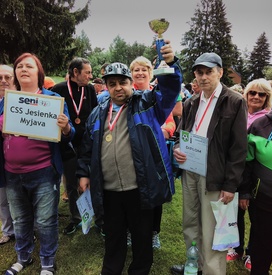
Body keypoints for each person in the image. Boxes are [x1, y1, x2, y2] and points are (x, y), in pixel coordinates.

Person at [76, 40, 182, 274]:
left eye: (122, 82)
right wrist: (83, 173)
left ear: (130, 82)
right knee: (114, 239)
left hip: (139, 189)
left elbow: (171, 91)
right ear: (107, 86)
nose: (118, 88)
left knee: (142, 239)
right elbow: (87, 146)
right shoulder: (97, 113)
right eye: (112, 84)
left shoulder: (147, 104)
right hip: (110, 190)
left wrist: (171, 65)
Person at [171, 52, 248, 275]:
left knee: (213, 229)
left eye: (209, 72)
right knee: (191, 223)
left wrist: (230, 184)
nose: (203, 77)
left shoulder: (233, 102)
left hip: (215, 176)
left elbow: (238, 148)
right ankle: (194, 265)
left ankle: (212, 271)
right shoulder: (191, 101)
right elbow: (179, 135)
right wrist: (177, 148)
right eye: (199, 72)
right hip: (190, 171)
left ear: (220, 72)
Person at [0, 53, 75, 275]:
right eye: (19, 66)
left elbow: (70, 135)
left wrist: (66, 127)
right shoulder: (6, 101)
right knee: (20, 220)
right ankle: (23, 258)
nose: (23, 69)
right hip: (12, 173)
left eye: (29, 66)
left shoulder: (52, 99)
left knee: (45, 221)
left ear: (38, 72)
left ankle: (47, 262)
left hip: (43, 172)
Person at [128, 55, 177, 249]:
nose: (140, 73)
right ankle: (130, 231)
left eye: (144, 69)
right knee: (132, 195)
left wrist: (165, 130)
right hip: (131, 155)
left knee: (155, 196)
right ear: (131, 74)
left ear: (151, 74)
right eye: (136, 70)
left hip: (154, 156)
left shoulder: (157, 97)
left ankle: (154, 232)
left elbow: (171, 121)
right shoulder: (126, 95)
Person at [226, 78, 272, 271]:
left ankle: (252, 252)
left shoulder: (266, 120)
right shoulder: (238, 112)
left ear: (267, 97)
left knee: (257, 219)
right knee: (235, 213)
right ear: (246, 94)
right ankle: (235, 247)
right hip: (233, 171)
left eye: (261, 94)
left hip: (254, 178)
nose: (256, 97)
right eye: (252, 92)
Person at [51, 57, 98, 235]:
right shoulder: (58, 89)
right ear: (75, 72)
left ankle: (96, 218)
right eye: (87, 72)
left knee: (90, 181)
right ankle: (76, 218)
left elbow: (95, 113)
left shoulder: (91, 89)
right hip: (67, 145)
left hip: (87, 144)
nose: (90, 76)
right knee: (71, 184)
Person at [238, 107, 272, 275]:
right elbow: (247, 163)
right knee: (262, 248)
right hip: (264, 200)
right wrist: (245, 191)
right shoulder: (260, 125)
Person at [0, 65, 15, 245]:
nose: (3, 80)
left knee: (20, 198)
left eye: (7, 77)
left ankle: (27, 229)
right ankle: (7, 230)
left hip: (17, 158)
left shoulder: (21, 100)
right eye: (0, 77)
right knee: (2, 198)